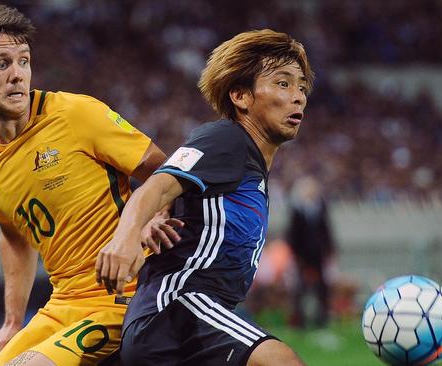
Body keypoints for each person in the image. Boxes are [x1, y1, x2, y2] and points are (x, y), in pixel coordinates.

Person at [0, 4, 168, 366]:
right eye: (2, 64)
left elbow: (166, 171)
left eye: (24, 61)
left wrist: (157, 213)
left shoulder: (75, 114)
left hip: (123, 296)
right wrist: (12, 321)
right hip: (62, 302)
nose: (18, 75)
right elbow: (13, 234)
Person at [96, 29, 314, 365]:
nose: (298, 96)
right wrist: (124, 239)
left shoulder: (251, 167)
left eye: (301, 86)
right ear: (240, 96)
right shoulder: (227, 139)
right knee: (280, 361)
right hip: (177, 312)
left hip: (193, 318)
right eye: (283, 83)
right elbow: (157, 186)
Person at [287, 175, 336, 328]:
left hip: (318, 254)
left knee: (322, 288)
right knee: (300, 288)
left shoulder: (321, 206)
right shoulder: (297, 209)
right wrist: (295, 254)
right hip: (302, 255)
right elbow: (293, 233)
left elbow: (326, 229)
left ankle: (322, 319)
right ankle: (299, 320)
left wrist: (329, 249)